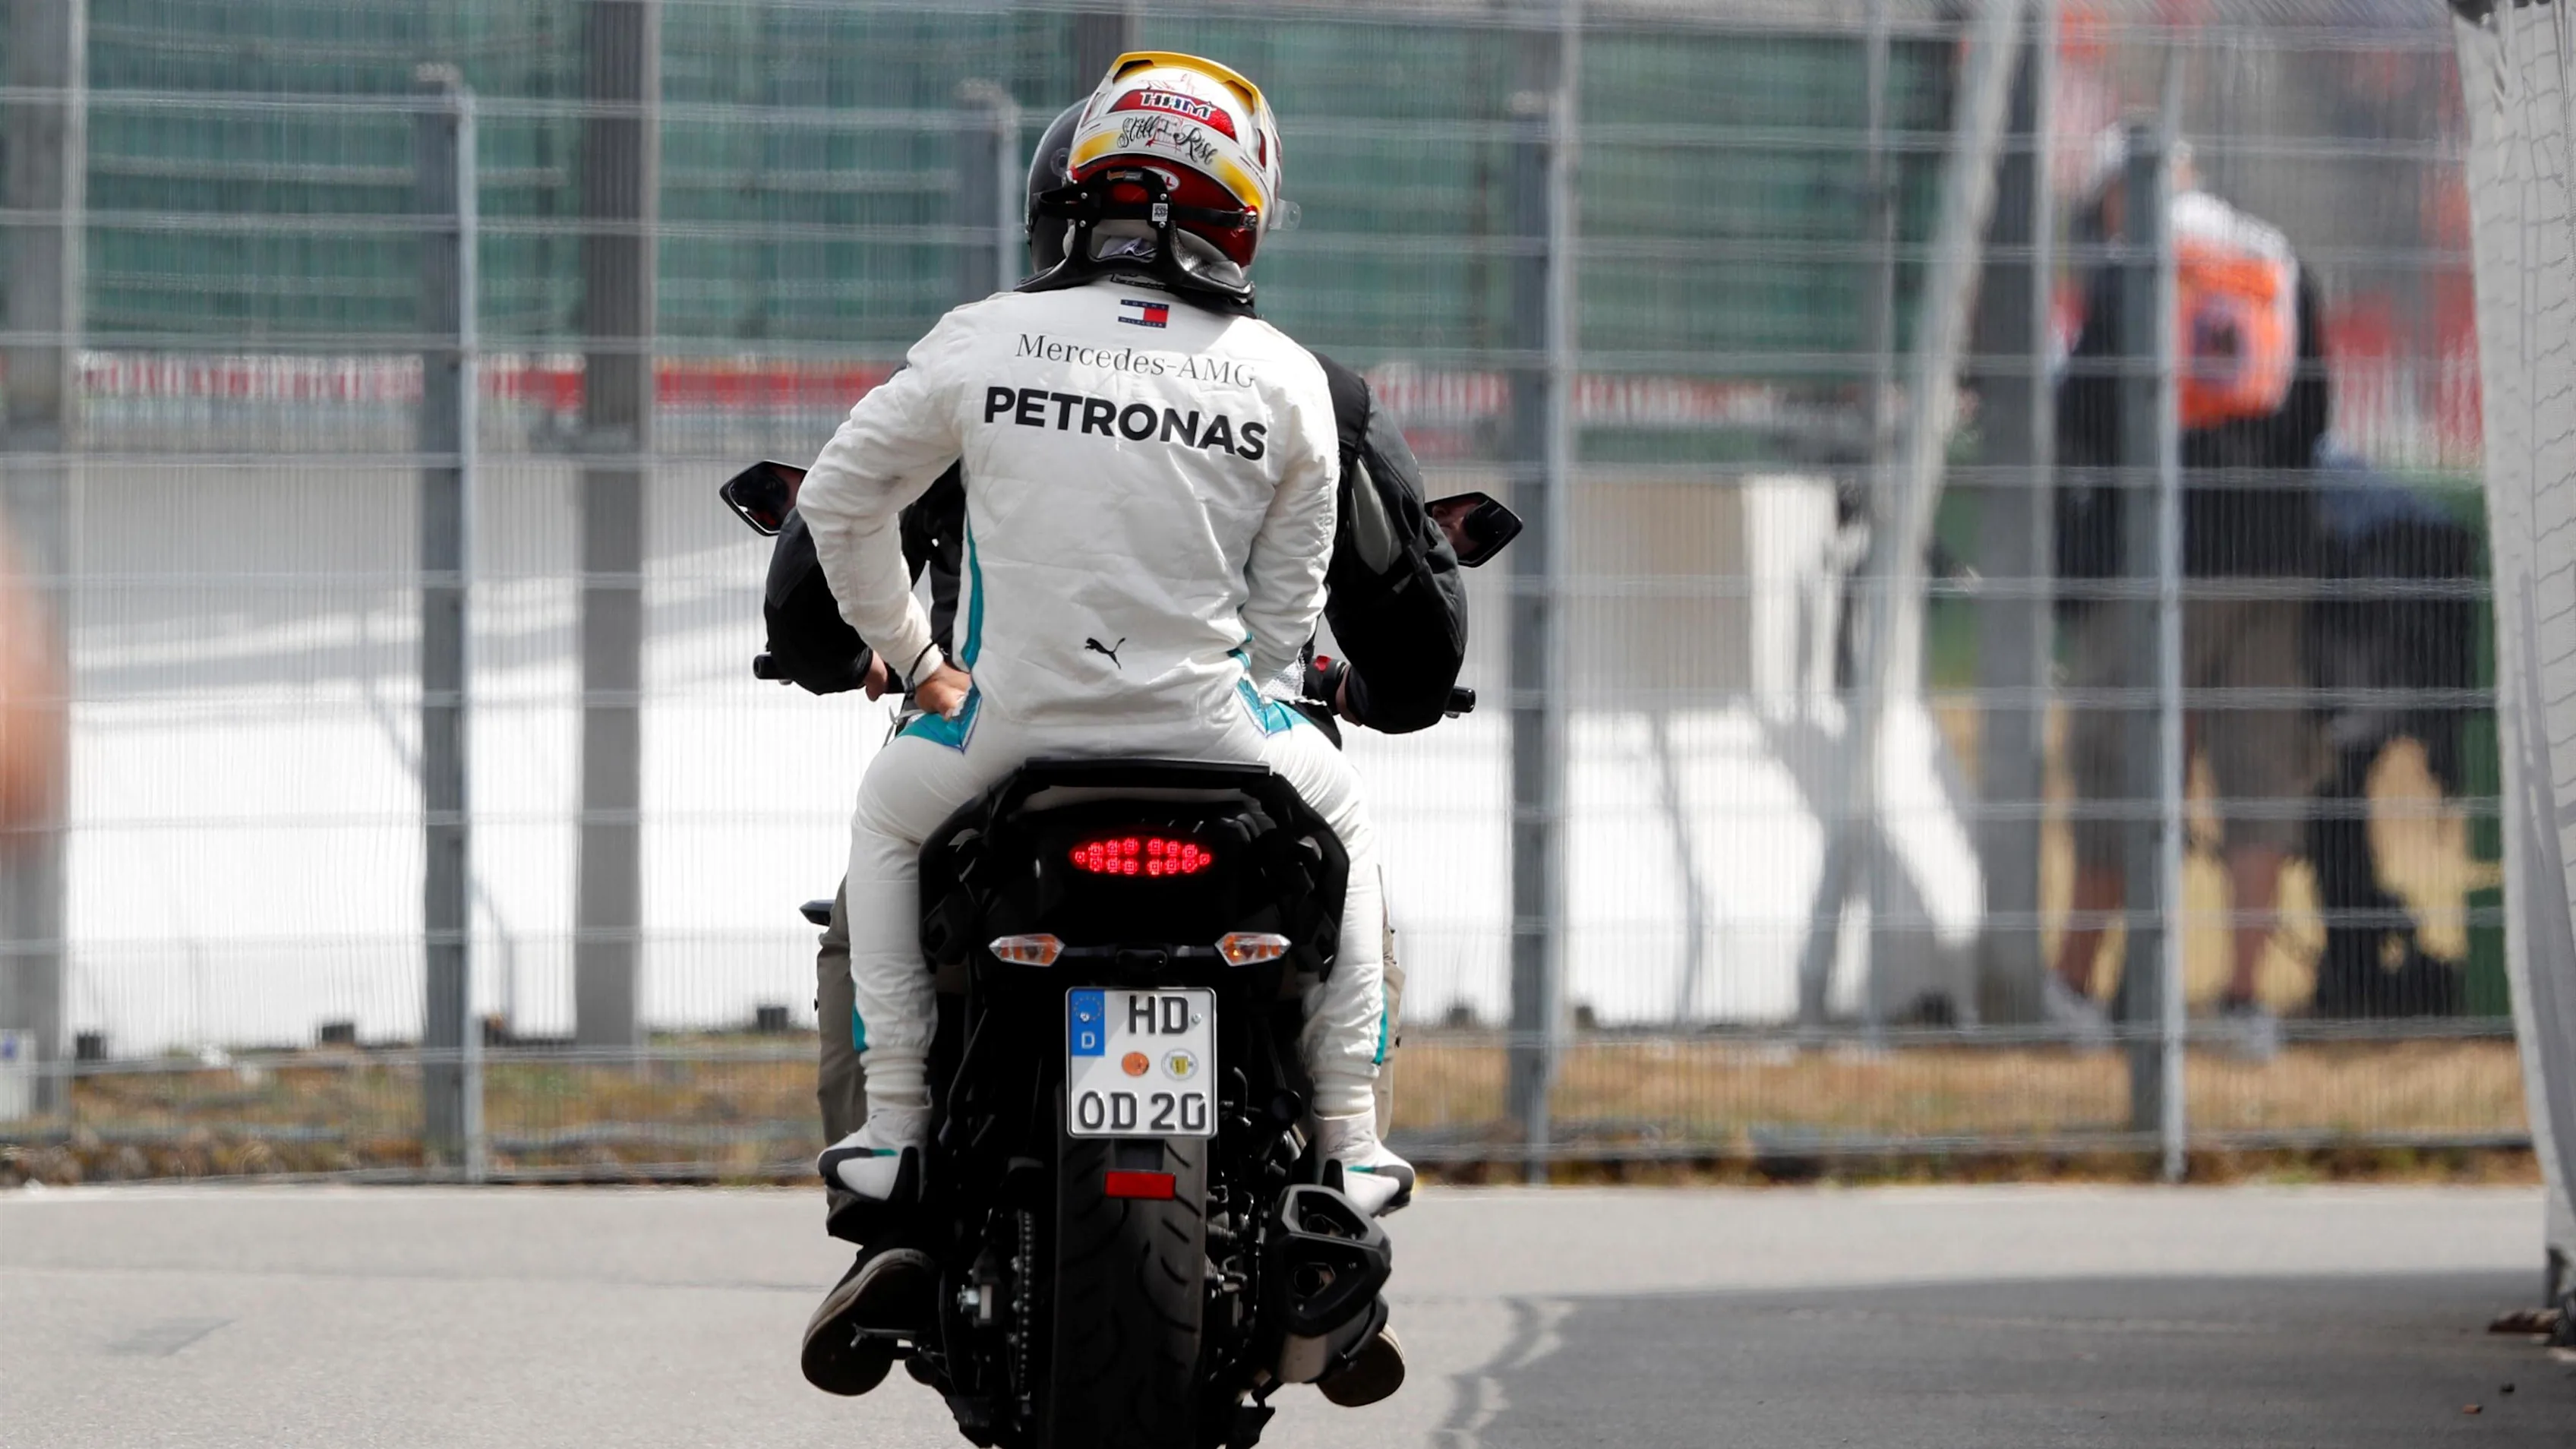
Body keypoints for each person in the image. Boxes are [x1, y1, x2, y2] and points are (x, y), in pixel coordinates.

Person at [791, 52, 1421, 1404]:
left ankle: (895, 1126)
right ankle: (1354, 1142)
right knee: (1353, 829)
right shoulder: (1287, 378)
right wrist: (1233, 697)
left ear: (1075, 199)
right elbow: (1281, 618)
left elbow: (839, 508)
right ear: (1241, 220)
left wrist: (914, 660)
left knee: (885, 822)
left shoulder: (983, 336)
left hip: (1004, 735)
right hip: (1222, 740)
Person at [2047, 127, 2330, 1056]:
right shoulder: (2274, 255)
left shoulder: (2138, 268)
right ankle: (2244, 1005)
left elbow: (2082, 413)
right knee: (2256, 777)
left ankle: (2073, 993)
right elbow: (2314, 410)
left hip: (2160, 557)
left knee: (2118, 767)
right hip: (2274, 554)